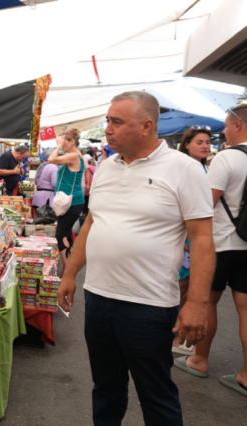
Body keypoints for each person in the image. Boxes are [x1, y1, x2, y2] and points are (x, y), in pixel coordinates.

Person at [57, 91, 215, 425]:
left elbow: (202, 240)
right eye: (107, 120)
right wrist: (70, 274)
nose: (108, 129)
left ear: (146, 126)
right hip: (99, 297)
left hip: (149, 305)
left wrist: (198, 302)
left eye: (116, 121)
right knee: (106, 389)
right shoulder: (105, 167)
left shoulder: (184, 169)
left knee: (156, 395)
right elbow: (91, 223)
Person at [175, 104, 247, 397]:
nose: (224, 131)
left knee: (207, 302)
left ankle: (199, 359)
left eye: (227, 125)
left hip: (221, 243)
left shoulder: (228, 157)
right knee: (246, 309)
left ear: (238, 125)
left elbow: (208, 204)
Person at [172, 126, 212, 355]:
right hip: (184, 238)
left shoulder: (206, 169)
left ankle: (179, 333)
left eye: (207, 142)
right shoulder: (183, 169)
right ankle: (174, 333)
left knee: (186, 286)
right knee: (179, 285)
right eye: (199, 142)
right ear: (186, 144)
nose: (205, 146)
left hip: (198, 238)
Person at [48, 128, 85, 273]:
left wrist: (57, 146)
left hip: (71, 202)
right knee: (65, 233)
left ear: (72, 142)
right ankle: (67, 267)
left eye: (64, 142)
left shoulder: (75, 156)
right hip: (70, 201)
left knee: (61, 234)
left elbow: (51, 159)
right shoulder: (73, 155)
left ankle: (67, 269)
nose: (62, 144)